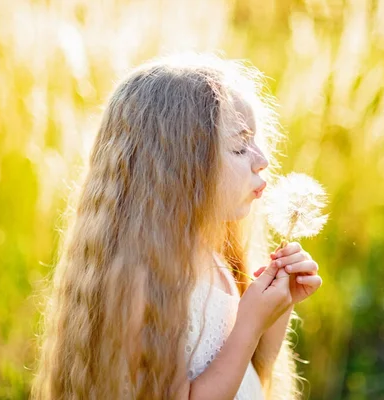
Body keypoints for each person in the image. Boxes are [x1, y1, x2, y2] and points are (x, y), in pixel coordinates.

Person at [32, 53, 322, 400]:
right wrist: (248, 323)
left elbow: (249, 374)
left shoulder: (213, 254)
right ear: (179, 171)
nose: (263, 160)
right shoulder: (143, 279)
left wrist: (274, 310)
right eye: (240, 146)